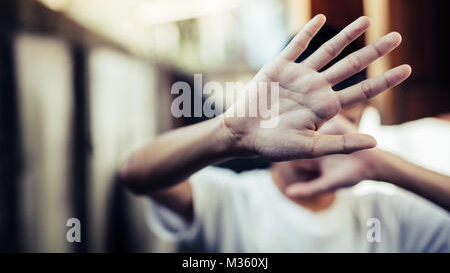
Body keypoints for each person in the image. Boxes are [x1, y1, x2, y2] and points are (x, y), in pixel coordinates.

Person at [119, 15, 449, 252]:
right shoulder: (235, 200)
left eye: (344, 118)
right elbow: (135, 172)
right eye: (304, 116)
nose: (316, 134)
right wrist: (229, 133)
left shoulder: (382, 214)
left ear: (363, 121)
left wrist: (385, 167)